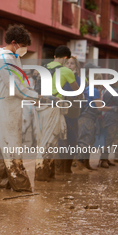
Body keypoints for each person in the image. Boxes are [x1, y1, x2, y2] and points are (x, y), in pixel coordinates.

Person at [0, 25, 37, 191]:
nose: (24, 49)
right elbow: (14, 87)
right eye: (23, 45)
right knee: (11, 144)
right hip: (5, 106)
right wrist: (36, 96)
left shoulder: (13, 57)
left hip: (11, 105)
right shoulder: (5, 60)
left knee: (6, 143)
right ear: (15, 43)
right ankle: (21, 186)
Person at [34, 45, 79, 180]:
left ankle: (47, 173)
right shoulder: (66, 70)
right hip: (53, 107)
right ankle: (42, 175)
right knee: (51, 139)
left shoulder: (44, 67)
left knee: (41, 139)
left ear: (55, 56)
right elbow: (77, 91)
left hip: (39, 106)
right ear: (66, 58)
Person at [56, 56, 81, 174]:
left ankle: (67, 168)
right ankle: (59, 168)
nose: (69, 65)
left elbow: (80, 95)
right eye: (68, 63)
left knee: (72, 139)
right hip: (60, 112)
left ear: (76, 66)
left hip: (72, 113)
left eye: (72, 63)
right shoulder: (60, 77)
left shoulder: (78, 79)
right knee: (60, 139)